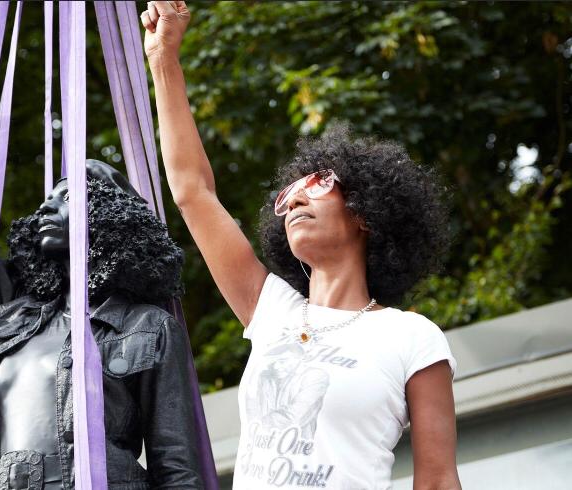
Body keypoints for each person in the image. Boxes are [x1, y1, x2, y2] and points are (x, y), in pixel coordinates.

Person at [140, 2, 461, 489]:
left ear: (366, 212)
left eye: (319, 183)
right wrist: (164, 60)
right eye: (287, 196)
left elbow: (437, 481)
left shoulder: (411, 338)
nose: (294, 200)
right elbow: (192, 192)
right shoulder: (272, 311)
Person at [0, 42, 202, 490]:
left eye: (66, 197)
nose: (46, 208)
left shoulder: (148, 328)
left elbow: (178, 467)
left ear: (107, 214)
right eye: (46, 200)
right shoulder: (14, 312)